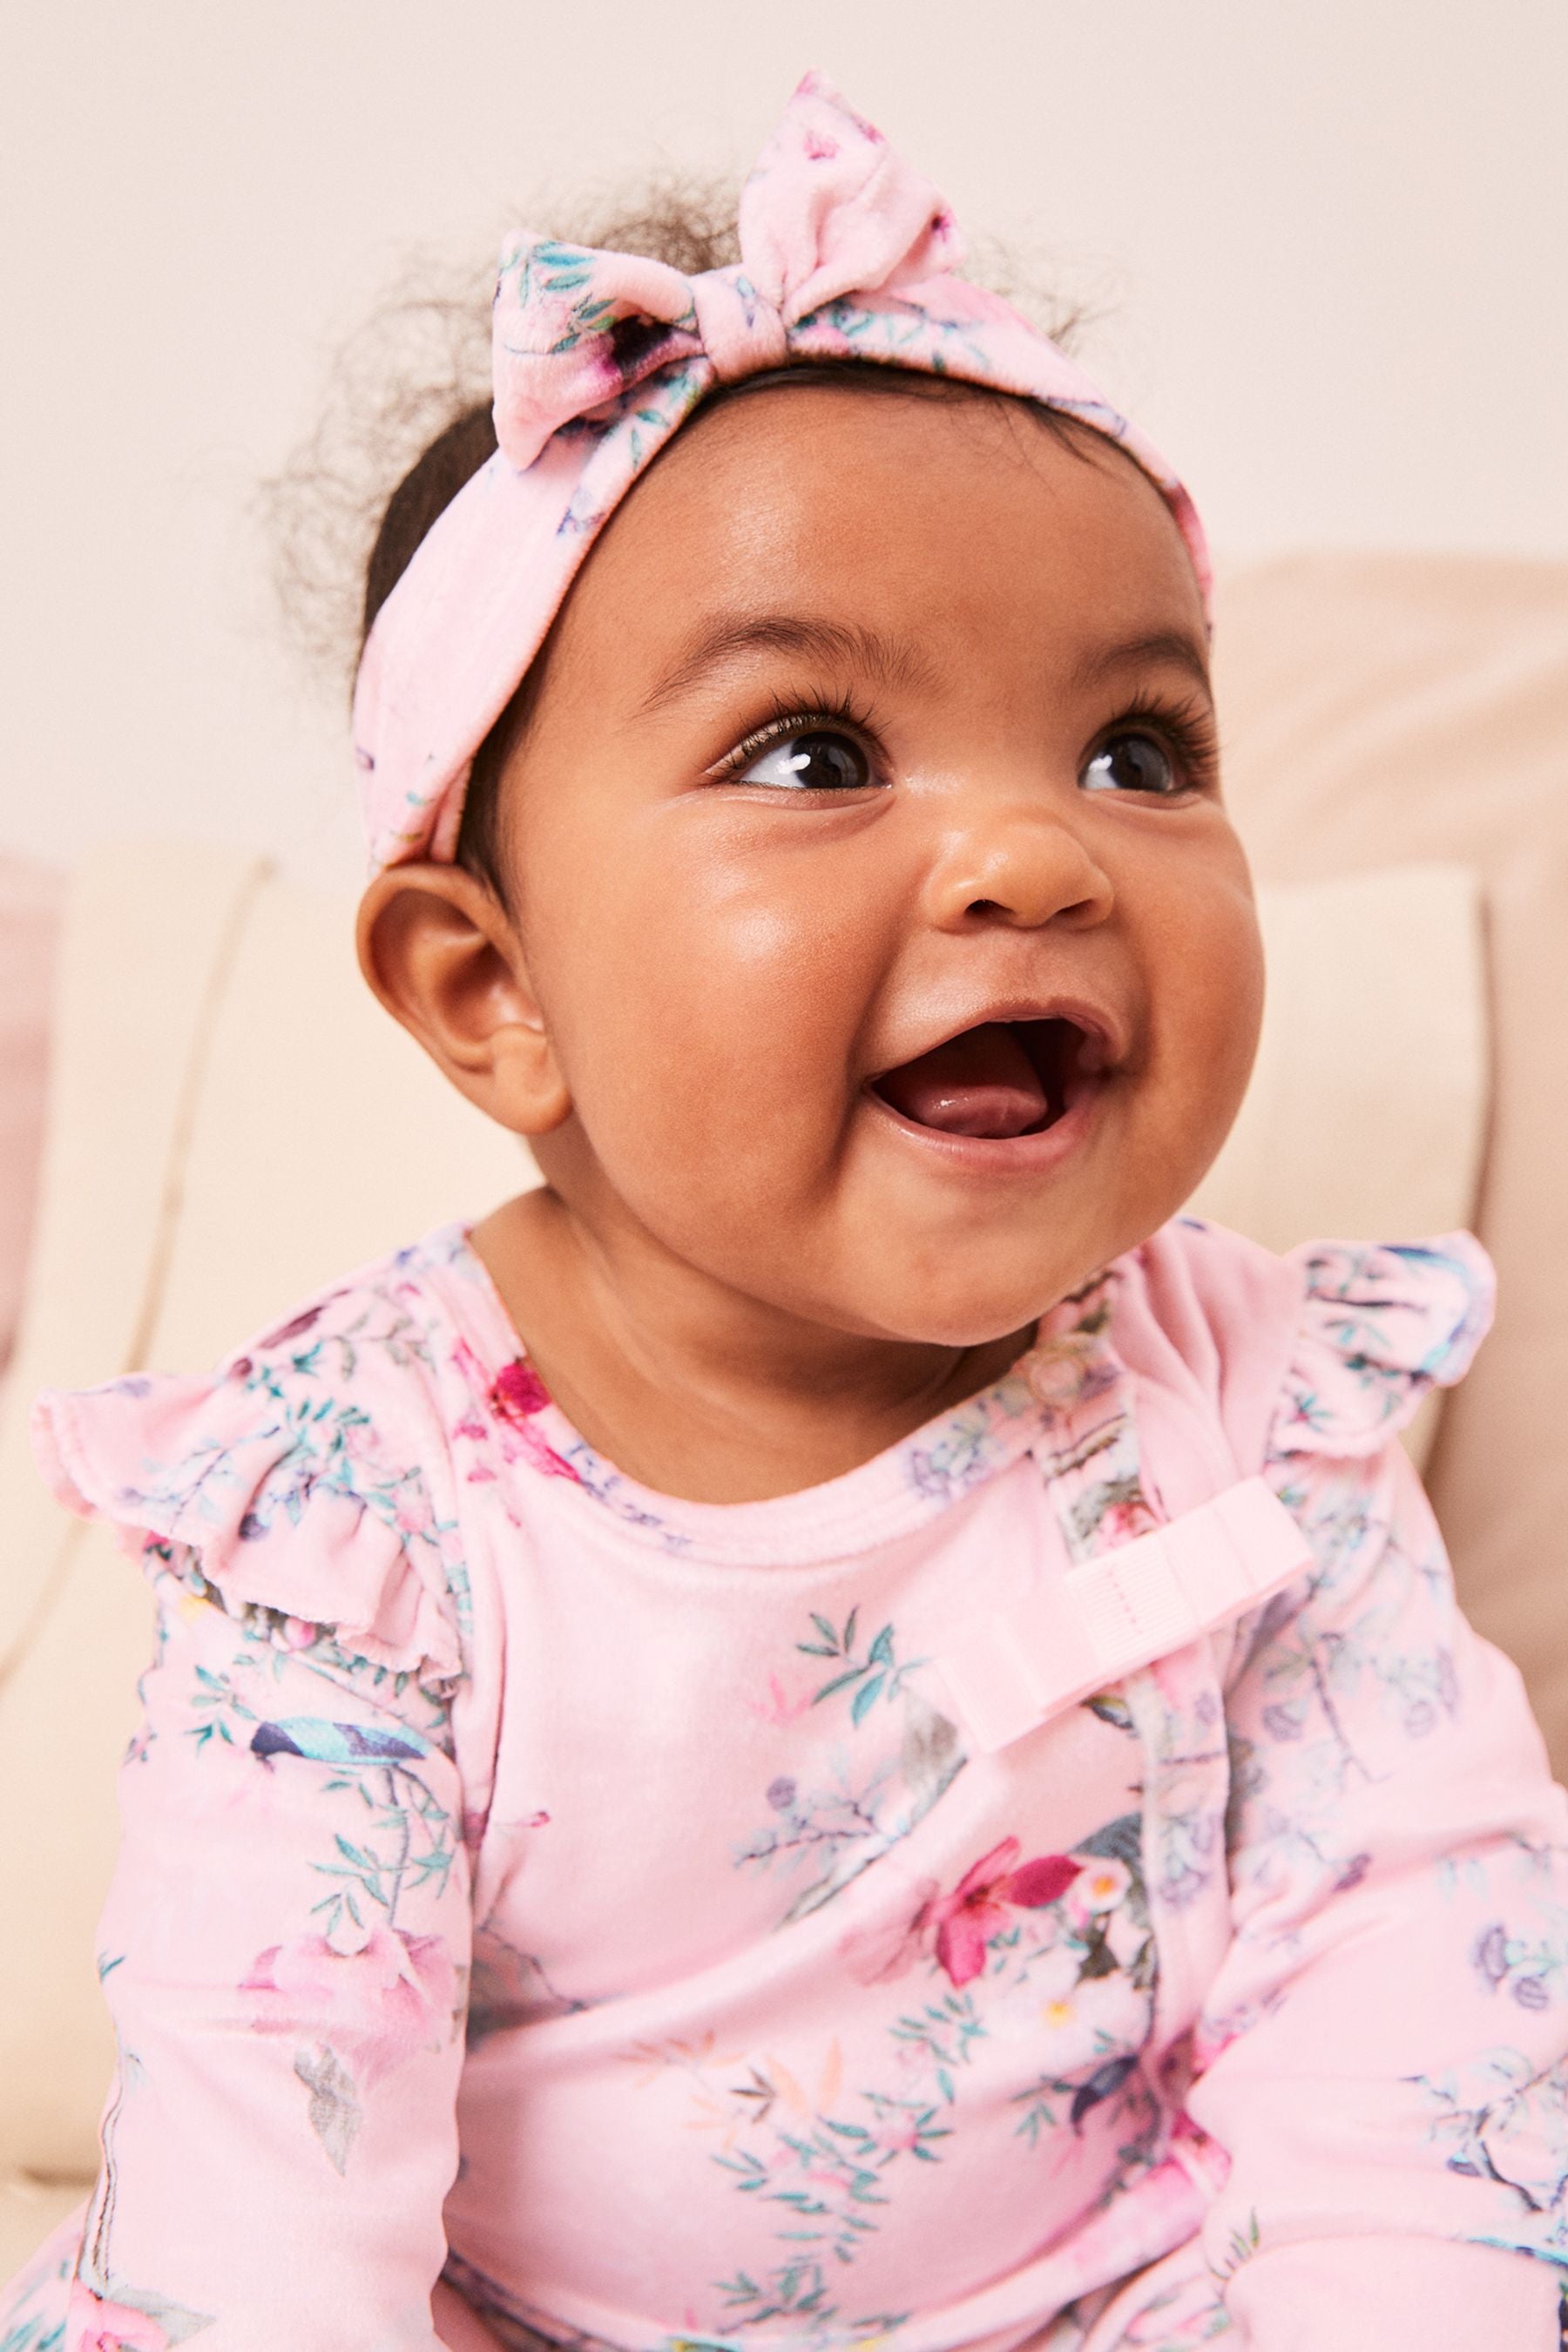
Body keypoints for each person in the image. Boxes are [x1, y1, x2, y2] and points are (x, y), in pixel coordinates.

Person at [3, 71, 1565, 2352]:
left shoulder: (1254, 1405)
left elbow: (1418, 1969)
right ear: (491, 986)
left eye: (1137, 750)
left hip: (1121, 2295)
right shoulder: (361, 1512)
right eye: (816, 755)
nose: (1038, 854)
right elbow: (278, 2156)